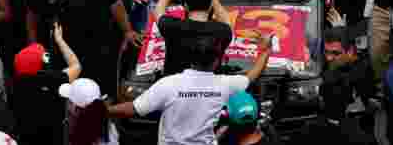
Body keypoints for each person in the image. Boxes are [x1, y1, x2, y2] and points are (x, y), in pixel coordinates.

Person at [108, 33, 273, 144]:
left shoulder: (168, 84)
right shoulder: (226, 84)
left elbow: (133, 108)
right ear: (217, 61)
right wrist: (265, 50)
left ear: (190, 58)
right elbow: (252, 75)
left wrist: (102, 110)